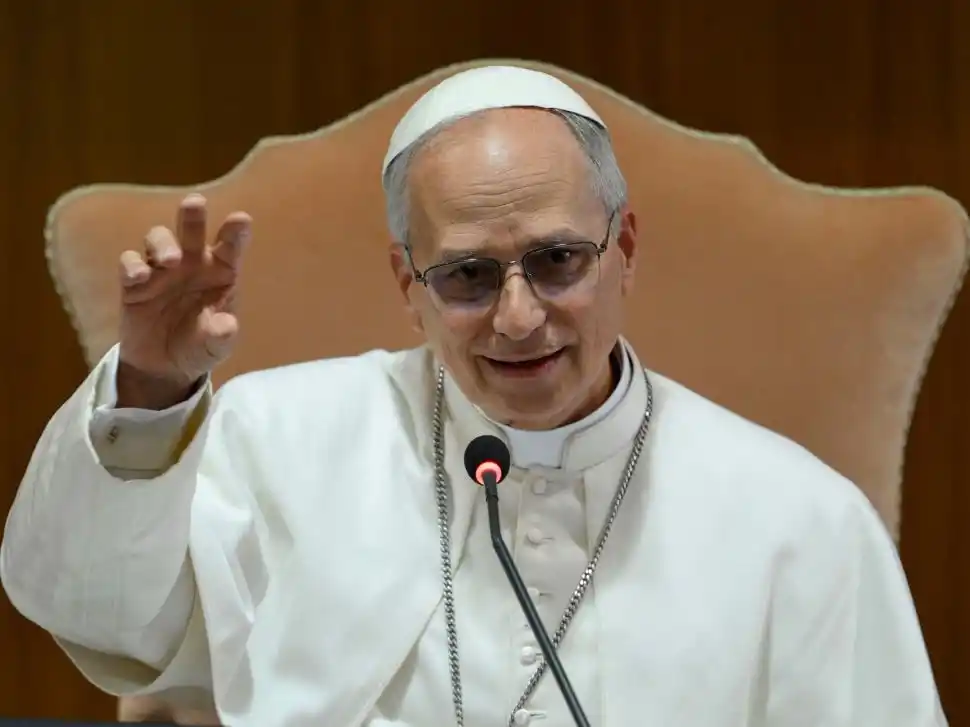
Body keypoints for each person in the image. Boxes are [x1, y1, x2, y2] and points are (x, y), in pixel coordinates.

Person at [0, 65, 947, 727]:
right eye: (466, 276)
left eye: (558, 260)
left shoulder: (802, 519)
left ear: (624, 249)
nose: (519, 317)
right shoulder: (277, 440)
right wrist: (154, 389)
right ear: (407, 286)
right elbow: (100, 614)